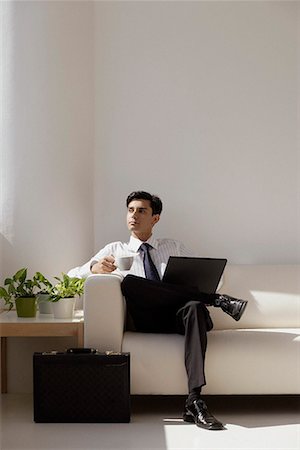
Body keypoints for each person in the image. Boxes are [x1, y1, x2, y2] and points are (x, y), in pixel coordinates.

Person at [69, 190, 247, 431]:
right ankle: (218, 301)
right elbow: (71, 276)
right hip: (142, 318)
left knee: (194, 307)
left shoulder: (173, 246)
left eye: (142, 210)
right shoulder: (116, 249)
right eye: (131, 210)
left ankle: (194, 401)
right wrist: (93, 267)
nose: (134, 216)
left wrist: (192, 288)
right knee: (131, 283)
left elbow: (217, 276)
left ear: (155, 218)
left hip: (178, 317)